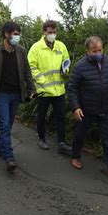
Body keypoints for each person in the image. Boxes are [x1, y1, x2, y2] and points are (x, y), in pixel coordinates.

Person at [67, 36, 108, 178]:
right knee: (80, 134)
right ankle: (75, 156)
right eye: (94, 51)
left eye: (100, 50)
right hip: (86, 109)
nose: (97, 53)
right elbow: (72, 89)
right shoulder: (80, 66)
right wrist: (75, 107)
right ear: (87, 52)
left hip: (105, 107)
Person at [0, 21, 36, 171]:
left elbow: (27, 71)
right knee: (4, 125)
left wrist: (32, 88)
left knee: (7, 125)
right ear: (6, 34)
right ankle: (9, 157)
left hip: (16, 93)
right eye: (14, 34)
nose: (17, 37)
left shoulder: (21, 51)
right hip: (0, 94)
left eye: (18, 34)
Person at [28, 20, 72, 154]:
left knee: (60, 117)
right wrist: (42, 81)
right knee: (41, 116)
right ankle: (41, 138)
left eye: (54, 32)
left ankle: (61, 143)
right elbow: (32, 67)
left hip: (59, 90)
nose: (52, 34)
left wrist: (66, 70)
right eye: (50, 32)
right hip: (43, 90)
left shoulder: (61, 46)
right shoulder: (36, 48)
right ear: (44, 33)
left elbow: (66, 60)